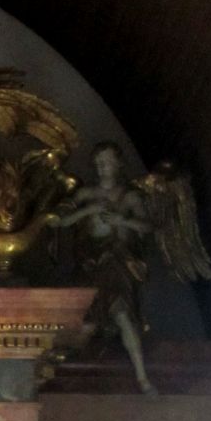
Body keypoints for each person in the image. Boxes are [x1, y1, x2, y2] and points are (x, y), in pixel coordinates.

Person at [55, 142, 157, 395]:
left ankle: (143, 378)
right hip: (91, 263)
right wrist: (90, 210)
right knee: (83, 319)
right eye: (98, 163)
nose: (102, 167)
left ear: (119, 164)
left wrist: (122, 219)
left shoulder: (130, 196)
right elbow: (60, 220)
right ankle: (70, 378)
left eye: (108, 162)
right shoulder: (86, 195)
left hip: (118, 262)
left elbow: (147, 226)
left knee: (122, 314)